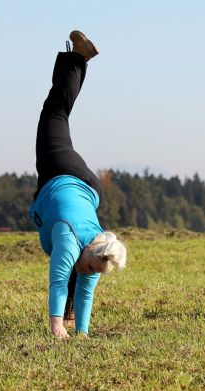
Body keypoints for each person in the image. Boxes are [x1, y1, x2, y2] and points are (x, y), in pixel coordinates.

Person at [29, 30, 127, 339]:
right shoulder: (70, 239)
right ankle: (79, 58)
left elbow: (86, 293)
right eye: (91, 267)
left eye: (96, 271)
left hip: (88, 189)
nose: (91, 272)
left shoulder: (100, 254)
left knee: (59, 112)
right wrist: (56, 326)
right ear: (90, 249)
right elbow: (58, 280)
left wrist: (82, 334)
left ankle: (79, 59)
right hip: (62, 170)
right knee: (55, 112)